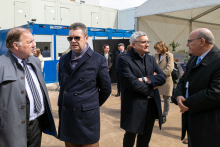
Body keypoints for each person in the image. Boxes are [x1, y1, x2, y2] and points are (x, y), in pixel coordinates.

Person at [0, 28, 57, 147]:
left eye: (33, 41)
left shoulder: (35, 61)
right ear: (15, 45)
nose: (34, 45)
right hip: (12, 130)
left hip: (37, 125)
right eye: (29, 42)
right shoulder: (1, 65)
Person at [58, 22, 111, 147]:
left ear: (86, 38)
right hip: (68, 118)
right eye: (70, 38)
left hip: (86, 120)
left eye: (77, 37)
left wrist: (90, 105)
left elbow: (106, 89)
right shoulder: (63, 59)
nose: (73, 41)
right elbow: (63, 85)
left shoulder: (98, 60)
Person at [117, 31, 166, 147]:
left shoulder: (151, 59)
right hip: (134, 106)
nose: (147, 44)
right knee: (130, 137)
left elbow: (162, 77)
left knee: (145, 139)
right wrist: (153, 85)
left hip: (151, 105)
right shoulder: (124, 60)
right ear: (134, 44)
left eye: (147, 42)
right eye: (143, 42)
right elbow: (133, 84)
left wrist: (145, 79)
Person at [174, 28, 220, 147]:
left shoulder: (218, 61)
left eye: (190, 41)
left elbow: (215, 93)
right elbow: (183, 79)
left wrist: (186, 103)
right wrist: (178, 95)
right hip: (192, 116)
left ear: (202, 41)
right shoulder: (194, 58)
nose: (187, 44)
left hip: (210, 122)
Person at [154, 41, 174, 124]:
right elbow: (153, 66)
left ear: (161, 48)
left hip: (166, 80)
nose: (156, 51)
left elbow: (170, 68)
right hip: (157, 80)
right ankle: (157, 113)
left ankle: (164, 115)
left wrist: (159, 75)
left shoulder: (169, 55)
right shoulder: (155, 56)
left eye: (157, 49)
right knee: (155, 97)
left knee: (166, 99)